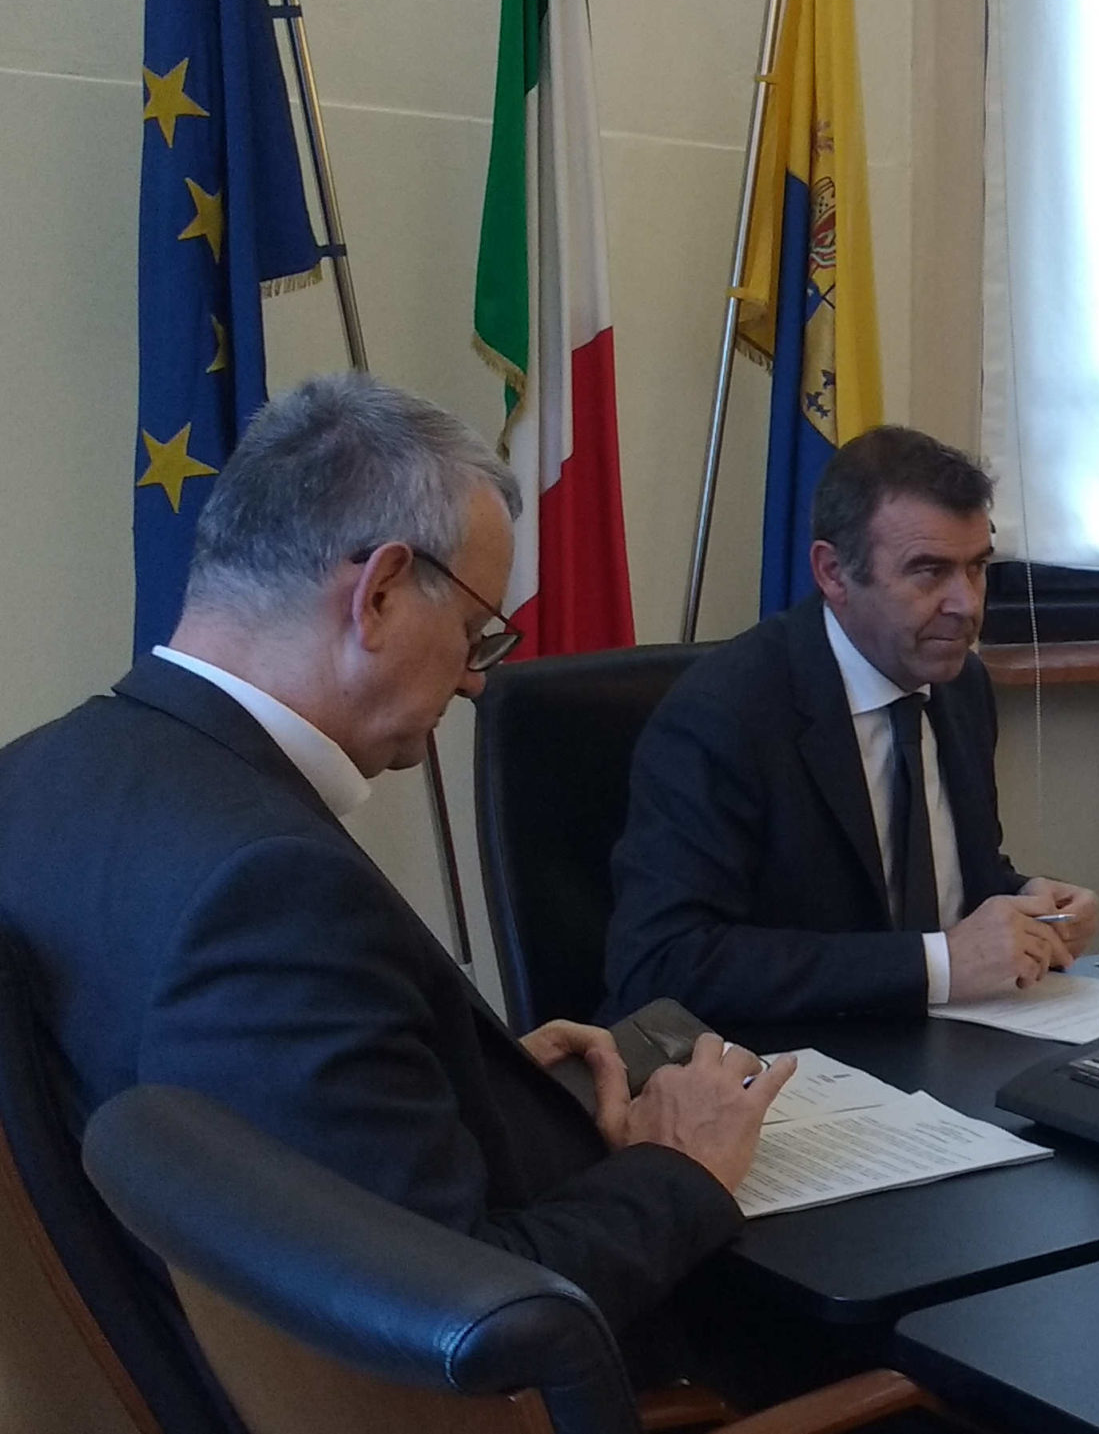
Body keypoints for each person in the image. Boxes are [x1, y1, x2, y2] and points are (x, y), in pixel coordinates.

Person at [0, 374, 785, 1385]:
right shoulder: (270, 893)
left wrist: (453, 1078)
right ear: (378, 592)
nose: (476, 677)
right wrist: (678, 1168)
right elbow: (462, 1324)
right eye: (477, 632)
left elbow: (261, 1146)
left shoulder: (35, 774)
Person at [607, 426, 1099, 1021]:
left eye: (976, 568)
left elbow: (936, 876)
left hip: (945, 1040)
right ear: (833, 573)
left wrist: (1026, 902)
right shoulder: (723, 714)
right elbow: (663, 964)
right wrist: (937, 964)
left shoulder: (960, 685)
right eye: (929, 571)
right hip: (788, 1055)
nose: (967, 604)